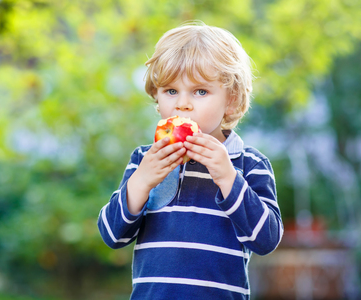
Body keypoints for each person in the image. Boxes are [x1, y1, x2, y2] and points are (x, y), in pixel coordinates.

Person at [98, 21, 283, 300]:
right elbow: (113, 235)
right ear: (157, 99)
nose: (182, 104)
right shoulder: (145, 160)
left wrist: (227, 177)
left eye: (200, 91)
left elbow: (266, 240)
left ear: (230, 100)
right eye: (171, 91)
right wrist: (142, 182)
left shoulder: (249, 164)